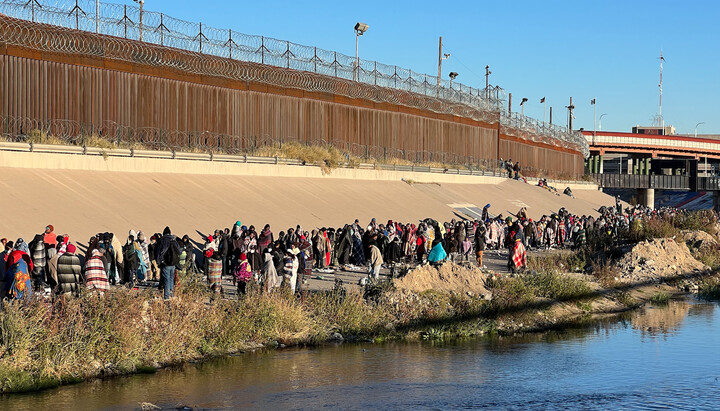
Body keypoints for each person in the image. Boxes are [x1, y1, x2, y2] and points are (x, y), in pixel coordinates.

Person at [155, 226, 181, 299]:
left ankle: (166, 297)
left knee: (166, 279)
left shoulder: (162, 241)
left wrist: (159, 262)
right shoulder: (174, 240)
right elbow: (179, 251)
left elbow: (158, 253)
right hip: (173, 263)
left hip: (165, 263)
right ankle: (171, 295)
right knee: (170, 279)